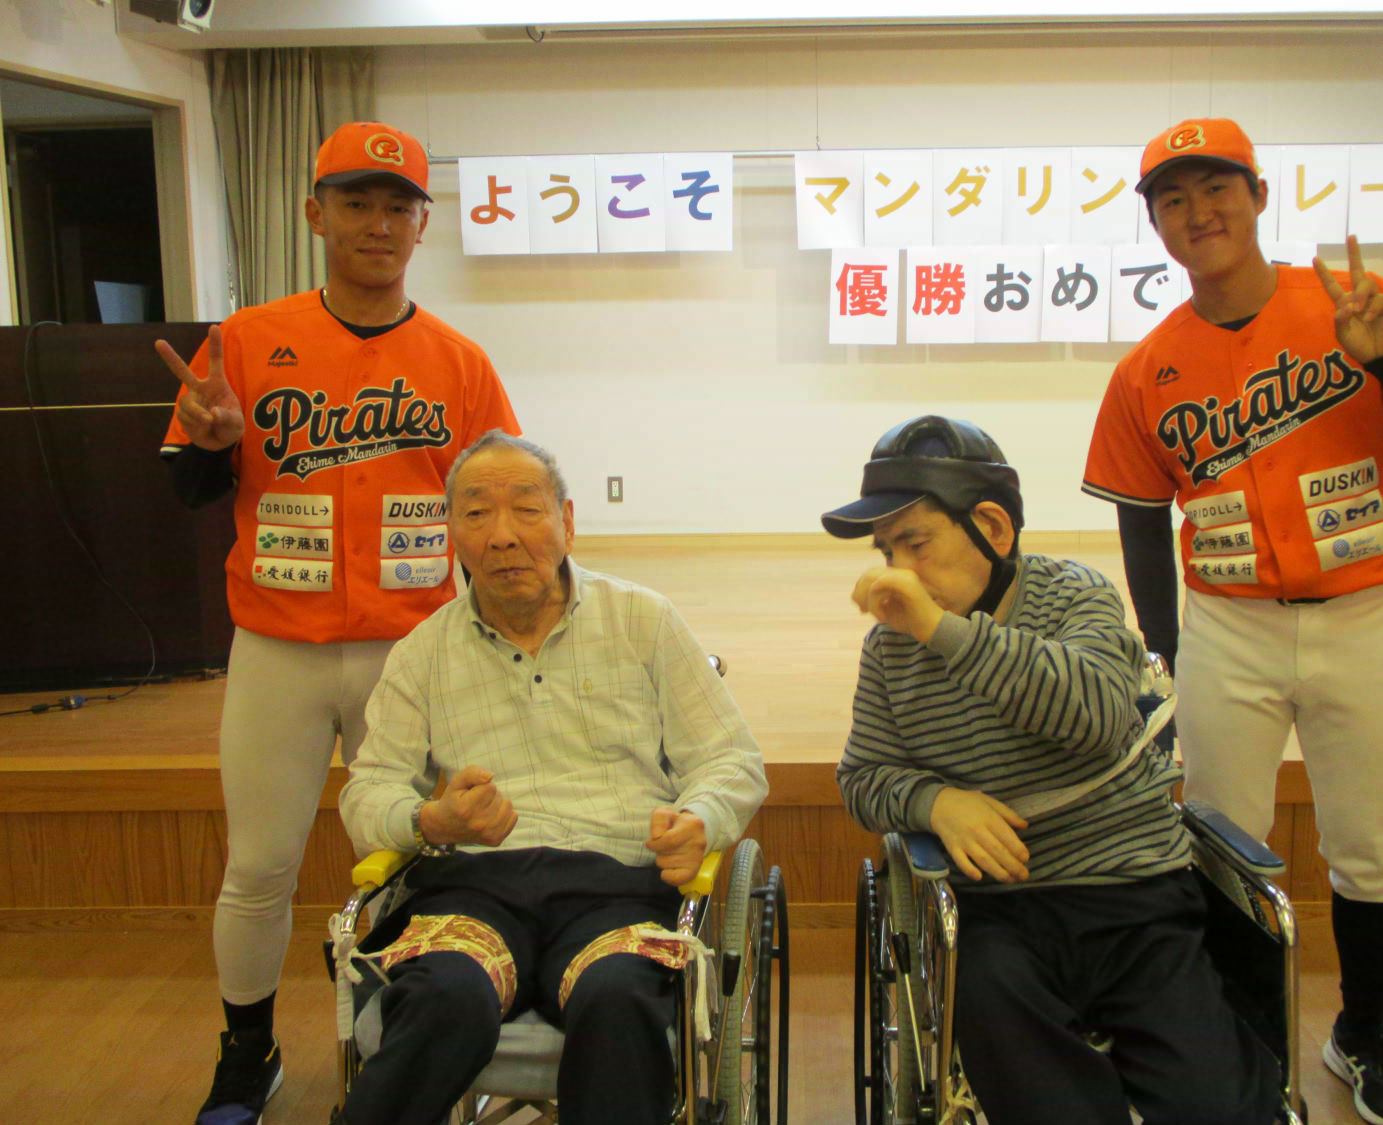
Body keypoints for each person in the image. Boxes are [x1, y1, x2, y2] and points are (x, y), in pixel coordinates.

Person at [1082, 117, 1383, 1125]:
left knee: (1370, 846)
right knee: (1224, 844)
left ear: (1259, 196)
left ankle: (1362, 1033)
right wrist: (1166, 653)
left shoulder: (1355, 303)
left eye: (1216, 188)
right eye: (1173, 198)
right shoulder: (1147, 368)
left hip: (1364, 616)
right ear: (1155, 223)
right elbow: (1142, 520)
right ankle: (1250, 1048)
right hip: (1230, 630)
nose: (1198, 213)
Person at [155, 121, 522, 1125]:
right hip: (278, 649)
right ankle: (247, 1056)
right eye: (356, 202)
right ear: (315, 214)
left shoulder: (458, 361)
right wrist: (215, 443)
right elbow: (189, 487)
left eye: (398, 206)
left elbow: (497, 509)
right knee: (260, 865)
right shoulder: (245, 341)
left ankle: (410, 1042)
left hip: (412, 652)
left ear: (423, 225)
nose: (378, 222)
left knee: (420, 858)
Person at [826, 415, 1280, 1125]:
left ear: (992, 527)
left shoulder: (1074, 595)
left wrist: (942, 632)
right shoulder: (890, 650)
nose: (896, 571)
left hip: (1133, 897)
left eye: (916, 543)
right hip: (997, 912)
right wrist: (937, 802)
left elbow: (1094, 714)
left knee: (1216, 1107)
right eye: (887, 551)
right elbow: (862, 776)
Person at [333, 430, 768, 1125]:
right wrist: (430, 820)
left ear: (567, 521)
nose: (502, 536)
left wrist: (700, 819)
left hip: (616, 888)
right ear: (453, 535)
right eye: (477, 513)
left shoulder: (643, 621)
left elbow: (730, 759)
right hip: (473, 891)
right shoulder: (422, 652)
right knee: (444, 997)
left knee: (618, 997)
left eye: (526, 509)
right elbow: (367, 789)